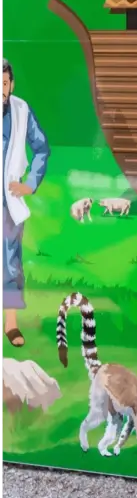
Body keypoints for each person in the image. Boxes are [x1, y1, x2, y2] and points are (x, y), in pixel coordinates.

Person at [1, 59, 50, 348]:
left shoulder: (21, 110)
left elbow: (41, 148)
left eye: (3, 84)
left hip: (8, 198)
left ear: (11, 84)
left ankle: (10, 324)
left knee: (9, 260)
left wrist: (30, 184)